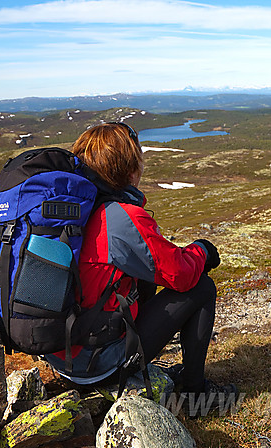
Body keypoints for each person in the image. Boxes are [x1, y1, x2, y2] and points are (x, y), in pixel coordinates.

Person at [42, 122, 238, 416]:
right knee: (201, 287)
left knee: (142, 279)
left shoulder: (73, 209)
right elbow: (181, 274)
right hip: (95, 363)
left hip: (59, 353)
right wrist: (203, 249)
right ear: (127, 167)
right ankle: (196, 396)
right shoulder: (119, 217)